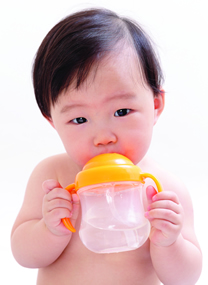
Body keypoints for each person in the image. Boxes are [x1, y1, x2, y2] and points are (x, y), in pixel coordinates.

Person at [11, 8, 202, 285]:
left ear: (155, 105)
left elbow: (185, 279)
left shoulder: (163, 188)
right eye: (79, 119)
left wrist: (170, 243)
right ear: (53, 122)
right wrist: (49, 228)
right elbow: (24, 256)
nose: (103, 137)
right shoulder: (52, 177)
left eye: (122, 111)